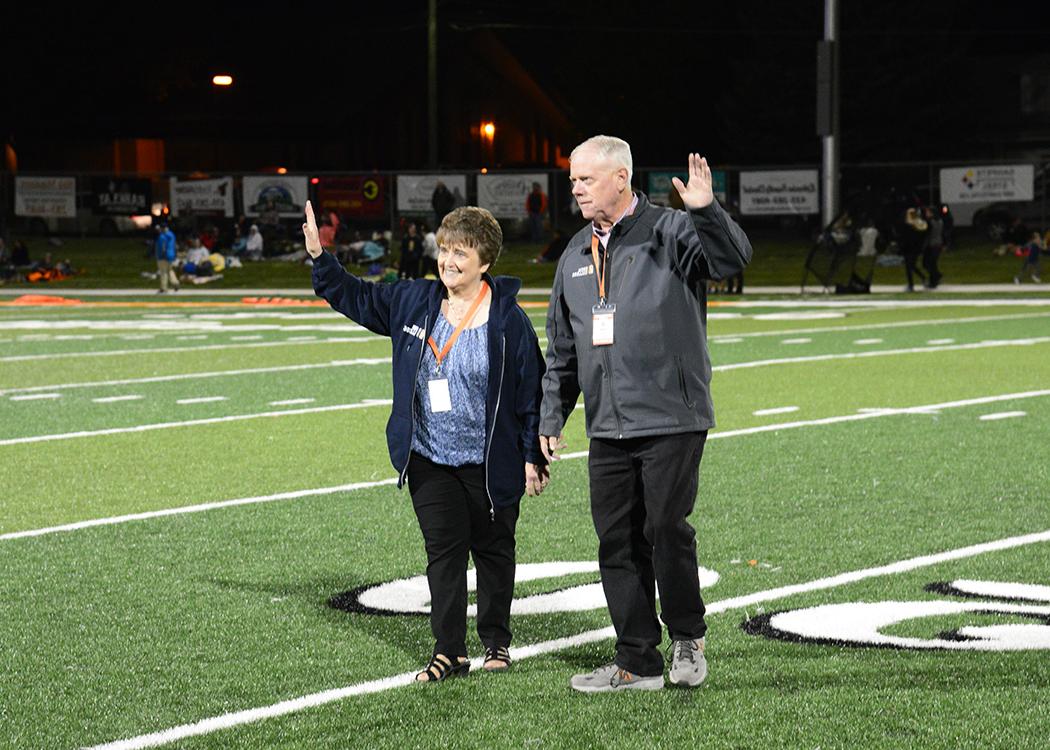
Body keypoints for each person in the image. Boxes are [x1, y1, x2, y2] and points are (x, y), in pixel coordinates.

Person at [539, 135, 752, 693]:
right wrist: (550, 419)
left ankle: (686, 634)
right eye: (573, 181)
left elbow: (731, 261)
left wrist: (706, 211)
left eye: (585, 179)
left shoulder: (673, 229)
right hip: (607, 423)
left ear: (620, 178)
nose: (576, 189)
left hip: (671, 414)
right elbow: (562, 349)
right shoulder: (574, 254)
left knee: (664, 528)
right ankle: (637, 660)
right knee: (615, 540)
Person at [305, 200, 548, 683]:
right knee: (444, 553)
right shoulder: (413, 300)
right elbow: (357, 297)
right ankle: (449, 651)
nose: (449, 261)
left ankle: (496, 639)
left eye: (461, 253)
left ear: (485, 262)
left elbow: (531, 390)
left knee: (495, 551)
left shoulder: (508, 320)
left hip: (488, 461)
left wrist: (532, 456)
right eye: (444, 249)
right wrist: (320, 258)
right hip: (429, 456)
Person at [153, 222, 180, 293]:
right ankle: (175, 282)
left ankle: (164, 288)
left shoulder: (162, 236)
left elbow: (163, 247)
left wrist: (163, 254)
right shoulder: (172, 235)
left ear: (162, 228)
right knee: (170, 270)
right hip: (171, 255)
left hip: (163, 256)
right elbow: (174, 245)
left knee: (163, 272)